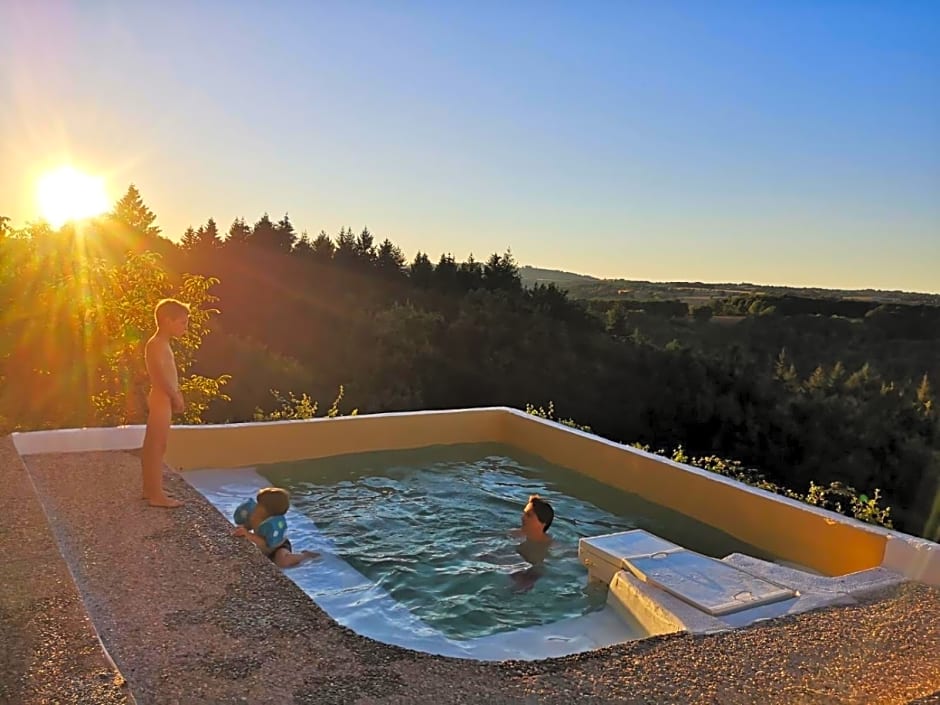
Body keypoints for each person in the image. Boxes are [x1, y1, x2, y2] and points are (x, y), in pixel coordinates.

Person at [141, 298, 189, 508]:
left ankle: (150, 489)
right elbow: (159, 375)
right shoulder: (156, 344)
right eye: (182, 323)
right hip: (161, 398)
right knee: (156, 446)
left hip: (163, 398)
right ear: (168, 321)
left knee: (155, 445)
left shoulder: (162, 344)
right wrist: (175, 395)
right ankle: (156, 495)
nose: (184, 328)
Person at [232, 487, 319, 568]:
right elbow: (248, 525)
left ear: (266, 510)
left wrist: (248, 535)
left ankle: (304, 555)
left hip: (278, 546)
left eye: (260, 505)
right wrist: (243, 528)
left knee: (282, 562)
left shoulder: (271, 525)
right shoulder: (255, 514)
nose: (256, 507)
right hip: (265, 547)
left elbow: (265, 544)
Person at [510, 494, 555, 592]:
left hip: (533, 578)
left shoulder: (551, 546)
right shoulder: (515, 534)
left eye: (528, 515)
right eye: (524, 514)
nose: (523, 518)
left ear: (543, 523)